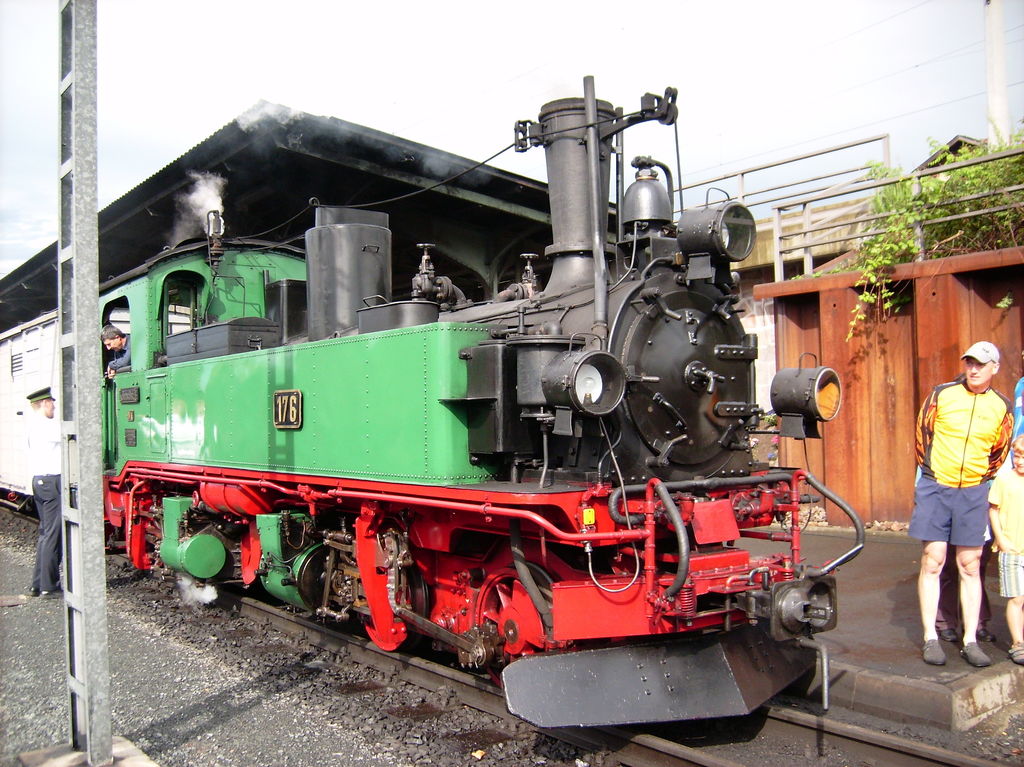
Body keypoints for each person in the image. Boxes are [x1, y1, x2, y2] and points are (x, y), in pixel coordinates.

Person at [910, 341, 1012, 668]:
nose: (974, 369)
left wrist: (977, 479)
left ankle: (970, 640)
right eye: (970, 362)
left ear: (995, 368)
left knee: (970, 563)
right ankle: (930, 637)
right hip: (937, 485)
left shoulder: (1002, 406)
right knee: (933, 559)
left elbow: (999, 451)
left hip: (973, 490)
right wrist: (933, 474)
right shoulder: (941, 395)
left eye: (981, 364)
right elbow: (922, 437)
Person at [22, 387, 63, 599]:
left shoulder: (32, 425)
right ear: (45, 403)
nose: (54, 406)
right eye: (52, 403)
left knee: (45, 533)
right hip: (51, 482)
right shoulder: (46, 426)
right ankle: (49, 586)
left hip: (40, 481)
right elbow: (71, 435)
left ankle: (37, 584)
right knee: (53, 535)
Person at [989, 434, 1024, 665]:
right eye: (1017, 456)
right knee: (1016, 598)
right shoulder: (1004, 479)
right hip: (1012, 548)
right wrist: (1001, 539)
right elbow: (993, 509)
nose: (1019, 461)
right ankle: (1017, 643)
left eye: (1023, 457)